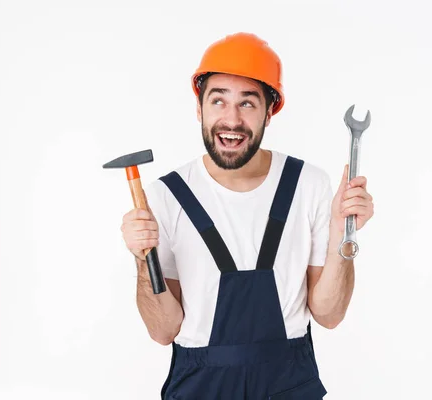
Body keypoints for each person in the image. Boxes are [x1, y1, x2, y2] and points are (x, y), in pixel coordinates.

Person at [120, 32, 374, 399]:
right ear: (199, 109)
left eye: (248, 104)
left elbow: (329, 315)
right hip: (199, 387)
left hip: (289, 382)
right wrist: (143, 259)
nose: (231, 119)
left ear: (270, 111)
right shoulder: (163, 197)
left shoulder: (309, 185)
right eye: (218, 101)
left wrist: (342, 232)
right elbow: (163, 331)